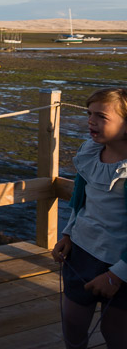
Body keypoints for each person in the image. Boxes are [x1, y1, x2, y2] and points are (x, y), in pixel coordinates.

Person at [51, 87, 127, 349]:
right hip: (82, 251)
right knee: (72, 320)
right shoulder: (90, 153)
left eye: (101, 116)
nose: (90, 121)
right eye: (89, 114)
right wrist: (68, 234)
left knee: (115, 330)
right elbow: (79, 201)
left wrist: (117, 276)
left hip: (118, 261)